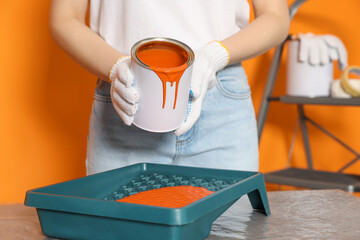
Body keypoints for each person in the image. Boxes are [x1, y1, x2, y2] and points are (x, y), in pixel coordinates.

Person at [49, 0, 290, 175]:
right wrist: (116, 68)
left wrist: (212, 57)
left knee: (232, 231)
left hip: (220, 106)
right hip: (126, 100)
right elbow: (64, 17)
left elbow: (275, 16)